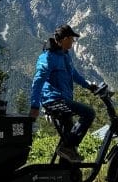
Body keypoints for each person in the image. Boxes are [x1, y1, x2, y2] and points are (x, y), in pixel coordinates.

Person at [30, 24, 97, 163]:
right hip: (54, 101)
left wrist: (89, 86)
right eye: (72, 39)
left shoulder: (65, 56)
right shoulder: (48, 57)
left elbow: (74, 75)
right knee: (89, 113)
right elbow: (38, 81)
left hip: (63, 100)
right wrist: (35, 106)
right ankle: (67, 148)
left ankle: (64, 174)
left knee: (69, 134)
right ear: (65, 39)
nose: (73, 42)